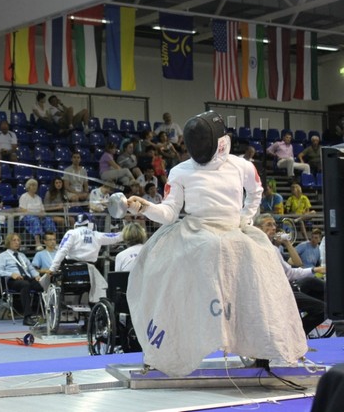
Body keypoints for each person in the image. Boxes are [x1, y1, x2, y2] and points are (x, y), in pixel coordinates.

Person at [120, 111, 306, 377]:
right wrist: (146, 207)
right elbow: (170, 213)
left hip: (233, 230)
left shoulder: (241, 166)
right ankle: (169, 346)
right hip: (196, 230)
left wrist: (245, 217)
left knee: (260, 265)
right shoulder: (180, 171)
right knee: (176, 264)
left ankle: (262, 344)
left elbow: (255, 192)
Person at [254, 214, 327, 335]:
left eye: (274, 225)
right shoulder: (257, 248)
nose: (273, 228)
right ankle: (295, 336)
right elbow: (292, 271)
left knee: (320, 290)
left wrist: (287, 243)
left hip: (288, 285)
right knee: (322, 309)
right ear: (257, 228)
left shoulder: (274, 249)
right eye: (269, 225)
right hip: (276, 292)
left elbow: (295, 266)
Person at [49, 213, 123, 304]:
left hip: (70, 272)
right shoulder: (96, 235)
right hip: (89, 272)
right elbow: (115, 237)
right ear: (91, 224)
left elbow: (62, 250)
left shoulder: (71, 233)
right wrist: (129, 232)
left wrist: (52, 269)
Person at [0, 233, 43, 326]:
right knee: (25, 285)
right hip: (12, 281)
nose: (17, 242)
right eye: (14, 240)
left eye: (18, 240)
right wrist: (11, 274)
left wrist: (37, 276)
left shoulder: (22, 255)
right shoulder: (2, 256)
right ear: (8, 242)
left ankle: (50, 313)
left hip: (26, 277)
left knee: (43, 285)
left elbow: (31, 268)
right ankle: (27, 317)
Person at [18, 178, 56, 251]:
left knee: (49, 220)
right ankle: (38, 243)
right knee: (35, 220)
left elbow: (42, 210)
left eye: (35, 185)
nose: (34, 187)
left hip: (39, 217)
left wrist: (42, 214)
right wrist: (34, 214)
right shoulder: (24, 196)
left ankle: (53, 243)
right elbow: (22, 209)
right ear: (28, 187)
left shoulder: (38, 198)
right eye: (32, 185)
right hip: (27, 217)